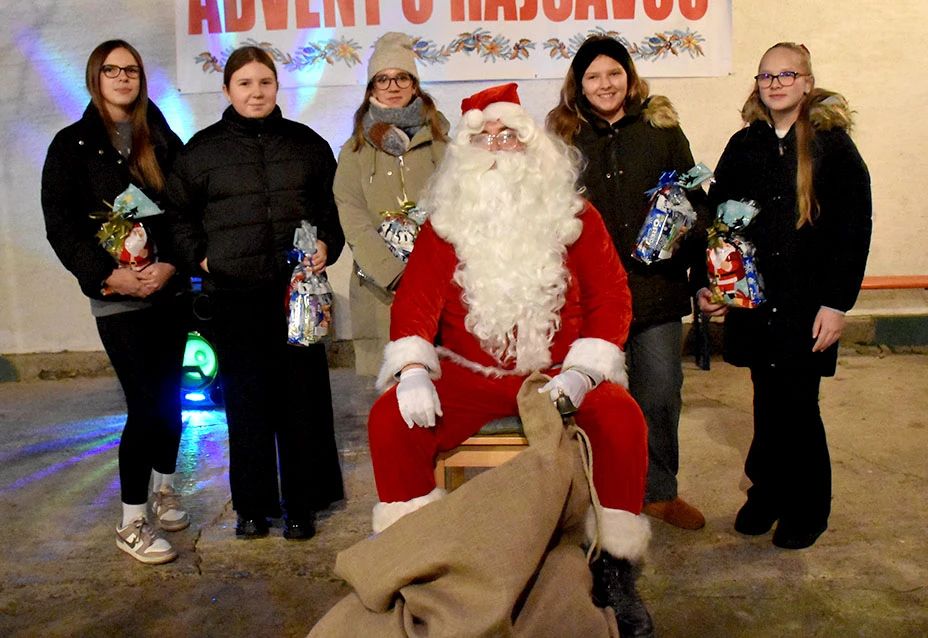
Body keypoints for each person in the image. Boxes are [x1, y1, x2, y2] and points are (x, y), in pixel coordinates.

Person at [368, 83, 655, 637]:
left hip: (559, 374)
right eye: (485, 138)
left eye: (509, 136)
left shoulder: (575, 217)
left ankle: (615, 570)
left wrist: (583, 369)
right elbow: (415, 302)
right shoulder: (445, 224)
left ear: (534, 146)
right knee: (390, 420)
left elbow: (612, 298)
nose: (498, 147)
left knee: (623, 419)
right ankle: (413, 560)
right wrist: (410, 371)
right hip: (469, 375)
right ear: (468, 155)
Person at [165, 46, 346, 541]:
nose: (256, 91)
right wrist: (203, 259)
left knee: (301, 402)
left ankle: (301, 505)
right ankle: (252, 507)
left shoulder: (307, 145)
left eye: (264, 81)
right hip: (236, 298)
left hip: (298, 298)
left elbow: (333, 210)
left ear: (276, 87)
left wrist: (327, 245)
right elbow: (177, 218)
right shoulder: (201, 152)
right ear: (227, 90)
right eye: (244, 83)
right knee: (246, 404)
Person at [697, 43, 872, 549]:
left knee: (798, 404)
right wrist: (714, 286)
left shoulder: (832, 147)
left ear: (807, 82)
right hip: (753, 302)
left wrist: (837, 304)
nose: (775, 84)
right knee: (766, 401)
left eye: (786, 74)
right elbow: (720, 221)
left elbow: (853, 229)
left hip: (806, 305)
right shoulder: (744, 144)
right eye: (766, 76)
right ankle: (766, 495)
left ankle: (807, 508)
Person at [547, 35, 709, 530]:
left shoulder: (662, 129)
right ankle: (596, 491)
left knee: (659, 392)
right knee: (595, 397)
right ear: (579, 84)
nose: (605, 84)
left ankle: (658, 491)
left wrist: (699, 270)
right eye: (593, 76)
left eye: (613, 73)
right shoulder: (563, 137)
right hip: (589, 297)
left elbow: (696, 202)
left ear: (629, 76)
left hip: (655, 288)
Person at [41, 40, 189, 564]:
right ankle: (132, 521)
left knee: (173, 401)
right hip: (118, 298)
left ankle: (165, 489)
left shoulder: (161, 136)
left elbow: (182, 209)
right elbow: (61, 227)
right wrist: (109, 275)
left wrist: (171, 263)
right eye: (112, 69)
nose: (123, 77)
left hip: (168, 292)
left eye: (131, 70)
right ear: (95, 77)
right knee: (145, 406)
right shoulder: (71, 145)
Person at [334, 32, 450, 377]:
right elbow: (352, 216)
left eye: (402, 77)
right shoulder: (353, 151)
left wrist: (433, 273)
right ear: (371, 90)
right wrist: (394, 274)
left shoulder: (443, 143)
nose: (393, 86)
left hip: (439, 286)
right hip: (381, 290)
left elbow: (461, 207)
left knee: (444, 390)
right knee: (392, 396)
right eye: (382, 79)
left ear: (415, 85)